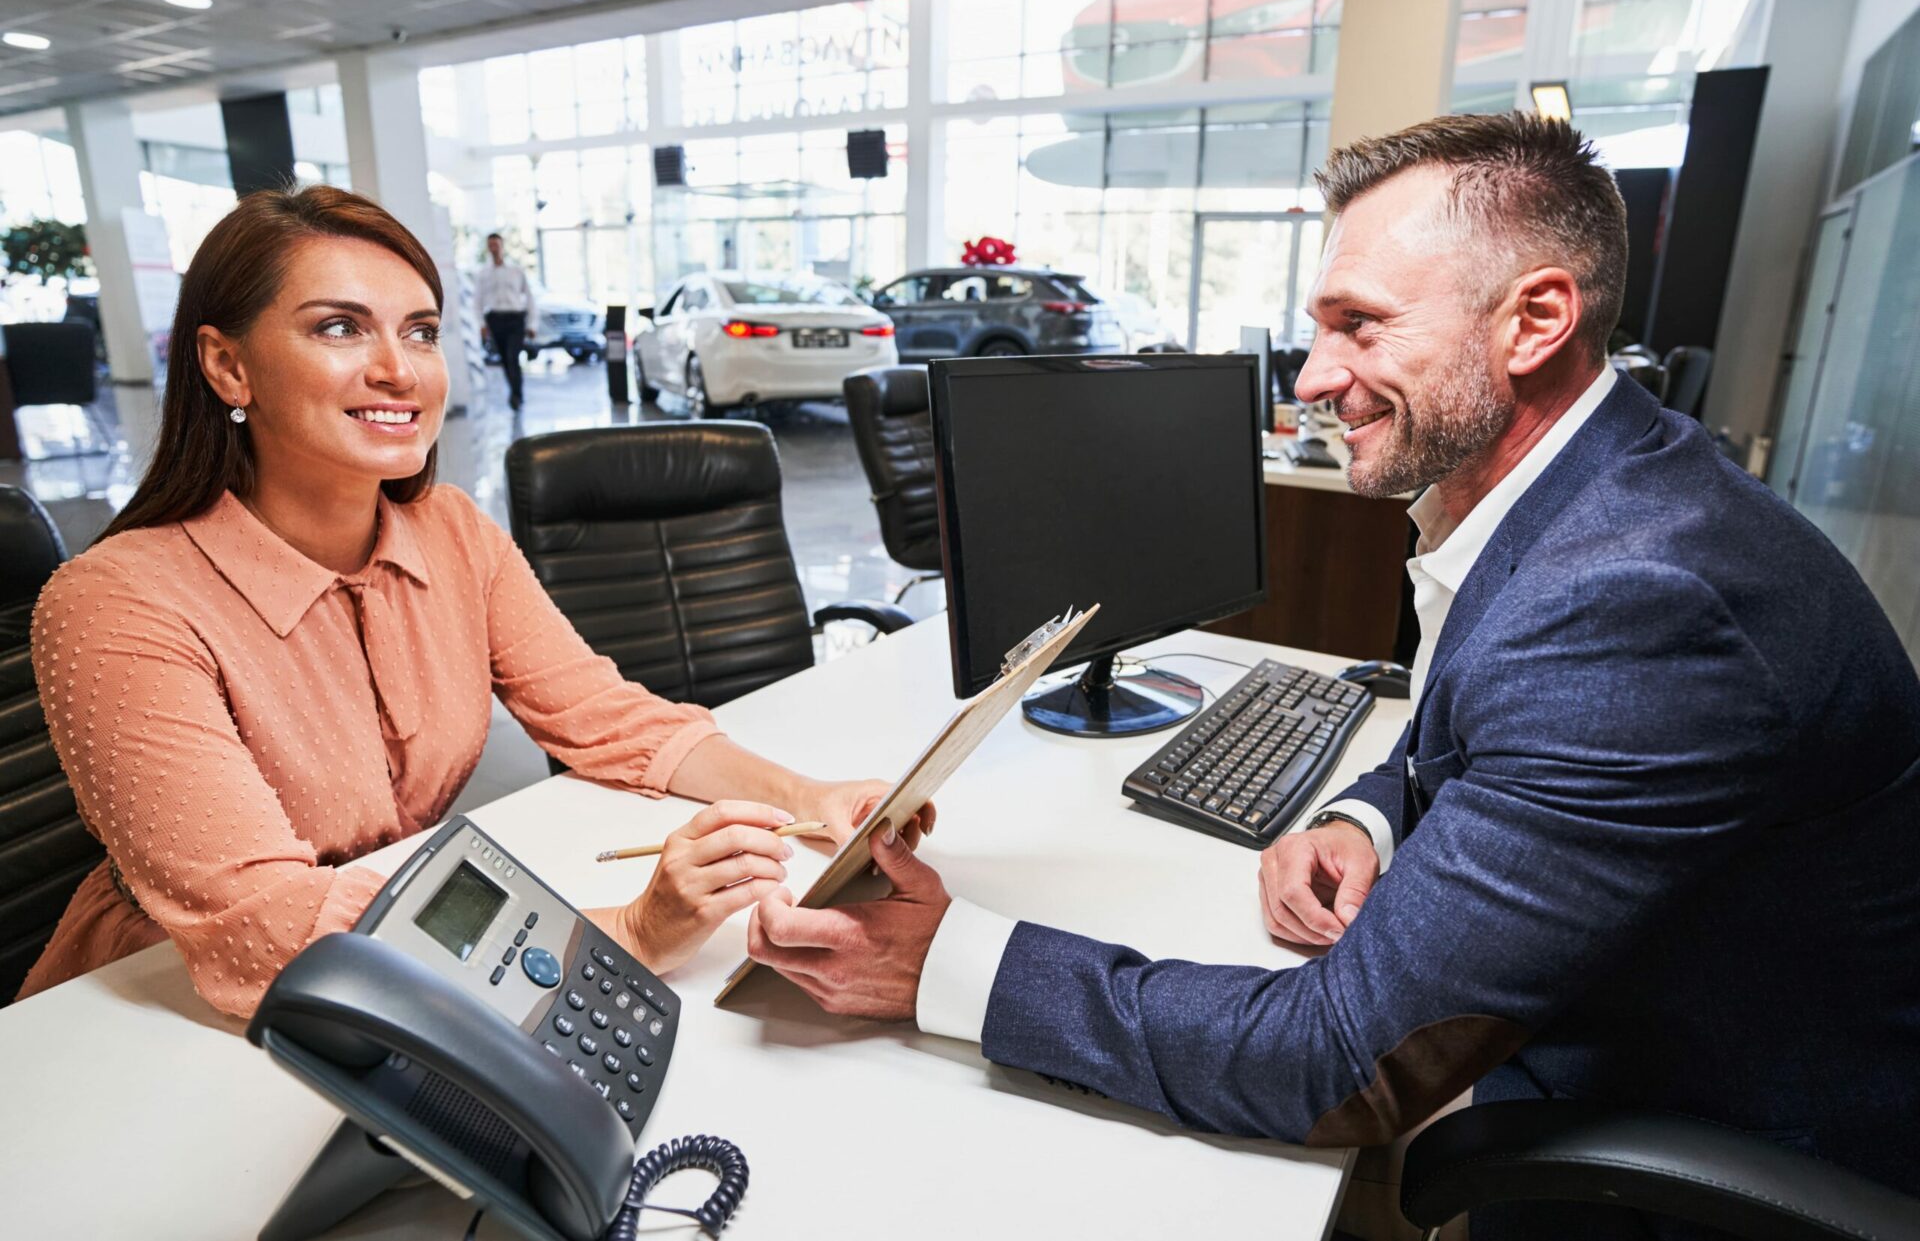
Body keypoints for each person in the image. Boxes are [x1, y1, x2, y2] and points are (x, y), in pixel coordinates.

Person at [743, 114, 1920, 1237]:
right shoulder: (1603, 493)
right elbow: (1478, 728)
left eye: (1360, 324)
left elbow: (1337, 1066)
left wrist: (938, 960)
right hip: (1632, 1021)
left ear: (1536, 320)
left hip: (1709, 1139)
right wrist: (1368, 812)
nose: (1310, 377)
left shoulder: (1640, 605)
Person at [17, 185, 923, 1019]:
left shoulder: (449, 530)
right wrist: (636, 930)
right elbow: (271, 921)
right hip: (175, 1000)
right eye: (339, 328)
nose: (400, 370)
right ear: (227, 366)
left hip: (418, 937)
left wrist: (814, 799)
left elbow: (613, 720)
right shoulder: (118, 602)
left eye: (419, 331)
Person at [476, 231, 534, 409]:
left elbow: (530, 298)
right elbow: (477, 301)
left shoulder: (516, 271)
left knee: (512, 357)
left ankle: (516, 395)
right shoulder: (483, 273)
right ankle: (515, 391)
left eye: (496, 244)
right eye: (490, 245)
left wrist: (532, 324)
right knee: (505, 359)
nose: (494, 248)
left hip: (515, 319)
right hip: (495, 319)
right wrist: (482, 324)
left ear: (502, 246)